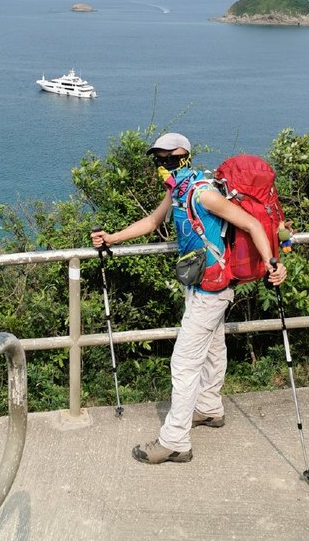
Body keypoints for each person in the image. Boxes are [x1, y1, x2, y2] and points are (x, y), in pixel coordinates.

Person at [90, 132, 287, 464]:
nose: (163, 163)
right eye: (159, 158)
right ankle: (209, 407)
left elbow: (253, 224)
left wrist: (272, 263)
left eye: (169, 156)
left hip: (212, 290)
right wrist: (113, 238)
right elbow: (153, 221)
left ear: (185, 157)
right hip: (202, 285)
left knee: (183, 363)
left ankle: (175, 441)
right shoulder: (179, 190)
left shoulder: (203, 192)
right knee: (212, 348)